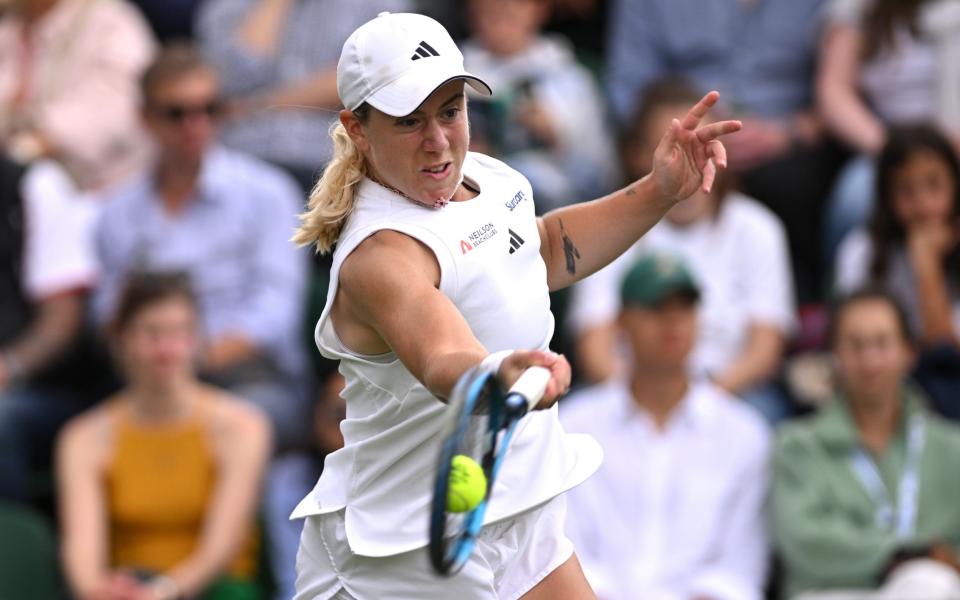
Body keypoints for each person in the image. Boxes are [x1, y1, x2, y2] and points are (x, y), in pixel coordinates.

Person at [288, 11, 740, 599]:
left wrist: (657, 192)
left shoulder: (489, 178)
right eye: (409, 122)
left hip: (517, 506)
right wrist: (496, 373)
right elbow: (441, 352)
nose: (438, 140)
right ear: (358, 127)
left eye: (451, 111)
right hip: (399, 554)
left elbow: (544, 249)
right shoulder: (380, 256)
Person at [93, 42, 311, 450]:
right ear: (145, 119)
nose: (195, 124)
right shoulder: (116, 210)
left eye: (210, 109)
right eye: (177, 113)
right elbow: (107, 308)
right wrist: (156, 356)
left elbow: (276, 309)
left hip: (249, 375)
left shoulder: (267, 192)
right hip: (147, 377)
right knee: (85, 436)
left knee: (226, 428)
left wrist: (192, 358)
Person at [568, 79, 795, 423]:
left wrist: (698, 403)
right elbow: (594, 346)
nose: (689, 158)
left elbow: (765, 349)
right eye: (673, 147)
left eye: (702, 144)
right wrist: (647, 403)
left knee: (766, 415)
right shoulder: (607, 224)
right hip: (629, 393)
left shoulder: (759, 228)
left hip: (729, 391)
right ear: (637, 153)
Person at [561, 252, 771, 600]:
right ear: (622, 322)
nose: (673, 321)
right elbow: (564, 553)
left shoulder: (745, 435)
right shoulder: (573, 427)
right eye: (656, 307)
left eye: (685, 308)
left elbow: (738, 570)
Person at [605, 0, 841, 304]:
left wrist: (791, 131)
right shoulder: (618, 231)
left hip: (790, 147)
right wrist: (690, 130)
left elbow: (844, 88)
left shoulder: (760, 231)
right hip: (678, 131)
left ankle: (812, 307)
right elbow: (627, 90)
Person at [57, 271, 271, 600]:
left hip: (216, 590)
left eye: (180, 332)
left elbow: (223, 545)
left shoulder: (243, 426)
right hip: (128, 589)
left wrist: (163, 591)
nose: (167, 349)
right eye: (151, 333)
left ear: (198, 337)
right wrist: (97, 590)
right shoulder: (82, 438)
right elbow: (82, 550)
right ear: (121, 339)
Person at [773, 288, 960, 599]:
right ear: (834, 354)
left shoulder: (951, 447)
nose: (869, 359)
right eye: (856, 345)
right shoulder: (797, 446)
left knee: (932, 584)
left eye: (882, 343)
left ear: (908, 352)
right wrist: (910, 553)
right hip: (830, 593)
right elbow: (804, 544)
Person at [194, 0, 412, 192]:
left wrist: (259, 105)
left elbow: (366, 77)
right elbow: (232, 75)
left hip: (339, 160)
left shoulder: (378, 3)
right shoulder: (227, 5)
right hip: (245, 159)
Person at [818, 0, 960, 264]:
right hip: (884, 145)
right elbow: (834, 92)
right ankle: (847, 293)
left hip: (952, 145)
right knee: (854, 201)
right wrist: (890, 148)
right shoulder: (856, 9)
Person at [834, 125, 960, 419]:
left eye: (934, 185)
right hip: (879, 377)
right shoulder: (861, 251)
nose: (923, 204)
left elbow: (945, 356)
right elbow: (850, 336)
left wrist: (926, 264)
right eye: (906, 190)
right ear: (887, 196)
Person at [0, 155, 102, 502]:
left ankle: (11, 551)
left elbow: (60, 324)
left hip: (46, 390)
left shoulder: (36, 185)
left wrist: (8, 368)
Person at [461, 0, 619, 212]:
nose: (498, 20)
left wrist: (557, 132)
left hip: (554, 203)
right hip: (474, 198)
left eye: (509, 10)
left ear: (539, 10)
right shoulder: (455, 70)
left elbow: (600, 171)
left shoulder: (569, 78)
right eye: (487, 12)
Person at [0, 0, 156, 191]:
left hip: (106, 191)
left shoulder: (109, 20)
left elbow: (121, 110)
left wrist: (43, 140)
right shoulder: (11, 28)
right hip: (24, 189)